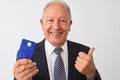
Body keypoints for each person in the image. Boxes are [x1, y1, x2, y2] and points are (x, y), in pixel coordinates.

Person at [13, 0, 101, 80]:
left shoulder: (84, 53)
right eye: (50, 20)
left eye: (62, 21)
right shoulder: (28, 55)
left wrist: (92, 74)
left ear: (69, 24)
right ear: (42, 24)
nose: (56, 27)